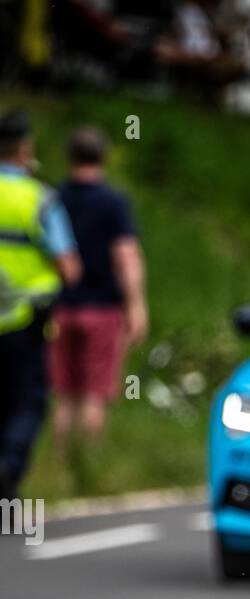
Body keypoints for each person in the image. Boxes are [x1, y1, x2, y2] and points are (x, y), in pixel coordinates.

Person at [48, 126, 148, 453]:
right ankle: (89, 463)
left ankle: (62, 462)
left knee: (64, 393)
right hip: (103, 310)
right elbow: (126, 255)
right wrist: (136, 305)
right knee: (94, 393)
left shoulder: (53, 198)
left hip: (61, 308)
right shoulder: (113, 202)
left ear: (70, 157)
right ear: (102, 157)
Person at [0, 109, 80, 501]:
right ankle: (8, 469)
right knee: (27, 400)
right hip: (25, 321)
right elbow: (69, 266)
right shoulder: (40, 199)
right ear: (25, 150)